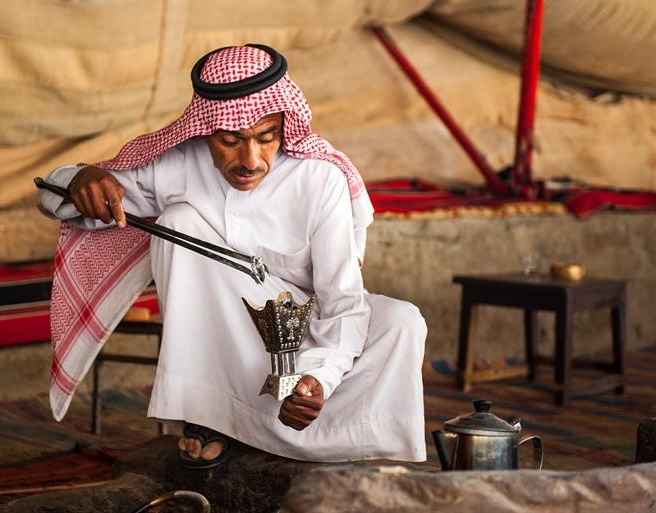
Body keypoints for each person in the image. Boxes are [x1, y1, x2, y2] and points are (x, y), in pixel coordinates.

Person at [38, 44, 426, 467]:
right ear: (206, 131)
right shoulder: (180, 166)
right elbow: (52, 193)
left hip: (308, 330)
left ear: (284, 125)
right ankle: (211, 417)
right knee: (179, 223)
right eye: (230, 141)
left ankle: (343, 438)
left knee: (401, 321)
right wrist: (82, 178)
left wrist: (317, 378)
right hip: (227, 335)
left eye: (266, 138)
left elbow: (342, 303)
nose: (250, 160)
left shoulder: (319, 180)